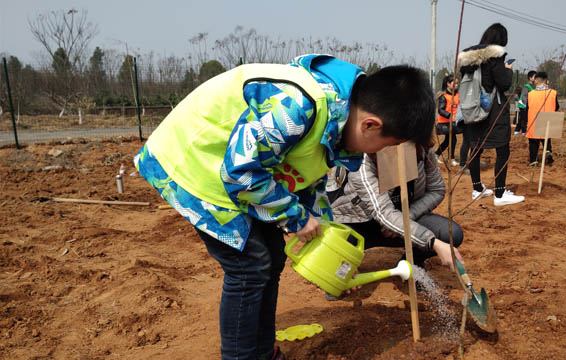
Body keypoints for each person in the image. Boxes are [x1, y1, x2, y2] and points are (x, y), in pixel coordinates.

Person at [133, 54, 435, 360]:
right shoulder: (298, 107)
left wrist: (333, 254)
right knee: (250, 266)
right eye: (385, 145)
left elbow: (308, 175)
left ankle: (263, 352)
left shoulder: (339, 118)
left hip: (251, 174)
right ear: (371, 125)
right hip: (196, 163)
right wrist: (295, 217)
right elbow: (239, 172)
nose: (381, 153)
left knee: (274, 257)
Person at [330, 145, 464, 273]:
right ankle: (345, 265)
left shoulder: (423, 150)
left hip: (404, 220)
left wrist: (408, 216)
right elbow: (382, 212)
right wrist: (432, 242)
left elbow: (436, 189)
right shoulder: (363, 158)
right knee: (337, 251)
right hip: (363, 223)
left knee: (450, 233)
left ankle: (412, 265)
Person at [457, 23, 525, 207]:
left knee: (475, 149)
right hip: (493, 110)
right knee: (503, 149)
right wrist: (508, 70)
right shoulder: (495, 56)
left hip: (473, 108)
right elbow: (503, 84)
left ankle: (477, 189)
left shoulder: (469, 58)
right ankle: (500, 194)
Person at [526, 72, 559, 167]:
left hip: (534, 121)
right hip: (547, 120)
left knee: (533, 142)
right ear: (546, 81)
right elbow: (557, 106)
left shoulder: (530, 94)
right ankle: (547, 151)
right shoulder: (553, 93)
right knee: (546, 138)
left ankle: (533, 161)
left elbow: (526, 108)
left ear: (536, 81)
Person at [435, 74, 462, 166]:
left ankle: (437, 155)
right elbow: (440, 110)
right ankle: (451, 158)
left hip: (454, 122)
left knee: (449, 140)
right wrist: (450, 115)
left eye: (457, 83)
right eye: (454, 84)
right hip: (445, 123)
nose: (456, 85)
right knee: (452, 140)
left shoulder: (458, 95)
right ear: (448, 84)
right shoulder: (444, 96)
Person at [514, 70, 536, 135]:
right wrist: (525, 106)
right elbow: (524, 96)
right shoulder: (527, 86)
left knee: (522, 118)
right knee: (524, 119)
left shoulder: (532, 86)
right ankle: (524, 131)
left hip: (526, 105)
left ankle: (517, 130)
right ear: (530, 78)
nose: (536, 79)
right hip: (523, 105)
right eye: (535, 77)